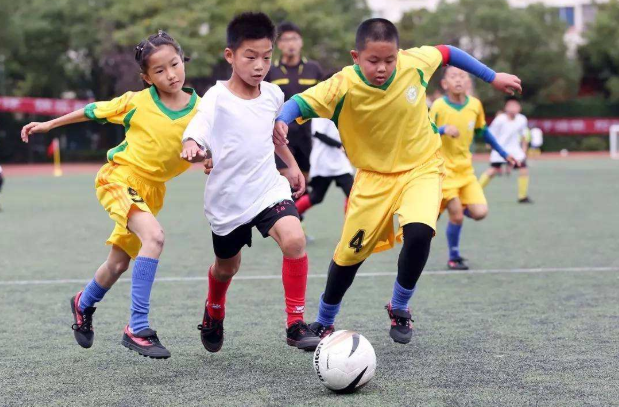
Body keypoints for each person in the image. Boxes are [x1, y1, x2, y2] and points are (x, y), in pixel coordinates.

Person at [274, 18, 522, 344]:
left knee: (420, 231)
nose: (383, 68)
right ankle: (324, 319)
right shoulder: (341, 85)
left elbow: (447, 52)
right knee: (349, 255)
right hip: (372, 179)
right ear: (355, 56)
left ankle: (400, 305)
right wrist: (281, 119)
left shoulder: (414, 63)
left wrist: (492, 77)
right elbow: (299, 103)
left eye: (389, 60)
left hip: (422, 168)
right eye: (373, 60)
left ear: (398, 54)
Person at [21, 31, 200, 359]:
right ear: (146, 77)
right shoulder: (137, 102)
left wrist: (208, 158)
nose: (171, 74)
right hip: (118, 179)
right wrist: (48, 125)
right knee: (155, 237)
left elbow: (202, 148)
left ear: (183, 60)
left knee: (117, 264)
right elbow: (91, 111)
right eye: (159, 71)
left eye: (174, 64)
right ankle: (137, 327)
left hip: (151, 193)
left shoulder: (202, 111)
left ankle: (82, 303)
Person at [180, 12, 320, 353]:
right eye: (251, 57)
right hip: (228, 199)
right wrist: (192, 142)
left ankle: (295, 324)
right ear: (230, 56)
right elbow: (200, 122)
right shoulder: (216, 97)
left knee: (294, 238)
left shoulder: (273, 95)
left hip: (267, 187)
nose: (260, 66)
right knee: (228, 267)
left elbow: (276, 135)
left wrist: (292, 166)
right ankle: (214, 309)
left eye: (266, 58)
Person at [430, 67, 517, 270]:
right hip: (444, 171)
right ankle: (454, 257)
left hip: (466, 172)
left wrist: (503, 153)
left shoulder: (475, 105)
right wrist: (442, 130)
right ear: (445, 84)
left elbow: (483, 132)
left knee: (480, 212)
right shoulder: (438, 106)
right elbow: (425, 131)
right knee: (458, 216)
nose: (458, 80)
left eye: (462, 76)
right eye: (453, 76)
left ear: (469, 82)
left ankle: (441, 209)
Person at [266, 22, 323, 182]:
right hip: (282, 135)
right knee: (286, 179)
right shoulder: (271, 71)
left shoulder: (314, 68)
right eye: (286, 39)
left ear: (301, 42)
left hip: (309, 135)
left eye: (294, 39)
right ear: (278, 44)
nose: (291, 43)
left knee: (303, 183)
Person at [295, 118, 354, 217]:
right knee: (316, 197)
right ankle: (290, 216)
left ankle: (351, 225)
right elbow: (318, 133)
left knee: (352, 194)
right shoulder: (320, 112)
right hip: (323, 162)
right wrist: (340, 145)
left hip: (339, 161)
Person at [479, 97, 532, 203]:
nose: (513, 108)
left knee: (523, 169)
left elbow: (524, 135)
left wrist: (524, 150)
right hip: (500, 150)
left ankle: (522, 196)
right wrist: (489, 145)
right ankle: (475, 192)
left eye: (515, 105)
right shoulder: (500, 119)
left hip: (515, 151)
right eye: (510, 105)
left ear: (519, 108)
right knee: (492, 171)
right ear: (506, 107)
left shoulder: (522, 119)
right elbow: (490, 133)